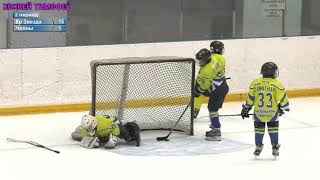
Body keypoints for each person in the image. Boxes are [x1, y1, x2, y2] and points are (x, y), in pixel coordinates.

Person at [241, 62, 289, 157]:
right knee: (273, 130)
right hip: (272, 114)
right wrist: (282, 108)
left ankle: (258, 145)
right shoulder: (277, 84)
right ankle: (275, 146)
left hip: (259, 114)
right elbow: (284, 99)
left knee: (259, 131)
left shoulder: (255, 83)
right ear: (272, 72)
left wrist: (246, 109)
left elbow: (251, 98)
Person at [194, 42, 229, 141]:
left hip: (217, 90)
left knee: (212, 109)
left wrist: (198, 91)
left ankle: (216, 130)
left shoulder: (206, 70)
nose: (200, 63)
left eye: (201, 61)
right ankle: (214, 124)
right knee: (212, 109)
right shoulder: (217, 58)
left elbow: (205, 85)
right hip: (222, 86)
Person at [71, 114, 140, 148]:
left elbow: (116, 131)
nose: (87, 129)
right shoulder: (88, 128)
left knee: (125, 136)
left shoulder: (105, 126)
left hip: (114, 123)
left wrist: (110, 138)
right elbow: (75, 135)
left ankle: (132, 125)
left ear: (92, 124)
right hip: (106, 125)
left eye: (89, 127)